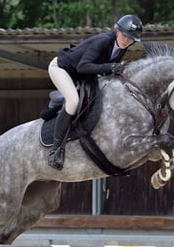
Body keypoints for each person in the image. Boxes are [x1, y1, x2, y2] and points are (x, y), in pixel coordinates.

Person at [46, 13, 143, 169]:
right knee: (73, 101)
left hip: (82, 75)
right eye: (124, 35)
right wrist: (110, 67)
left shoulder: (121, 48)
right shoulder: (103, 41)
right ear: (117, 30)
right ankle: (55, 150)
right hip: (62, 68)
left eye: (130, 38)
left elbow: (102, 70)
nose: (126, 40)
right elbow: (83, 66)